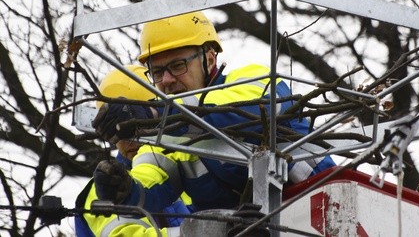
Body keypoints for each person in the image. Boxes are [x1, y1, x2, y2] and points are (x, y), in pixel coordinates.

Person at [92, 11, 336, 211]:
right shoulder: (166, 136)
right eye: (157, 72)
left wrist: (158, 115)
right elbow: (151, 177)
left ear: (209, 59)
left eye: (177, 66)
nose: (165, 80)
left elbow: (245, 108)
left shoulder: (253, 79)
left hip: (331, 205)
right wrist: (126, 188)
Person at [75, 65, 193, 236]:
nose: (131, 140)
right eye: (120, 132)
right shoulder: (105, 189)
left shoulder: (182, 169)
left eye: (138, 128)